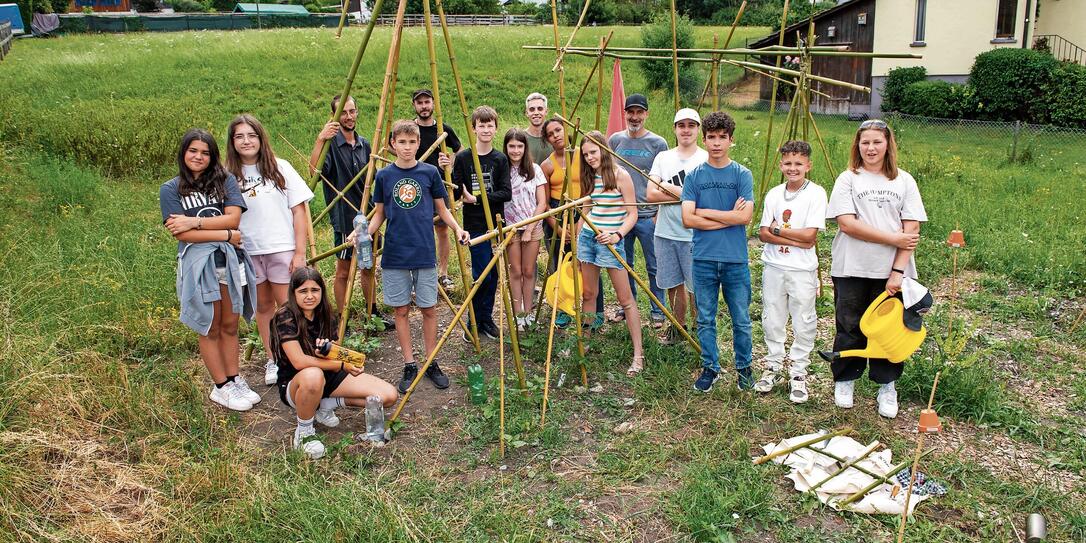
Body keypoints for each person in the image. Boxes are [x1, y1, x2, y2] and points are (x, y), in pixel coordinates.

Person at [826, 119, 926, 419]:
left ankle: (887, 385)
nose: (870, 148)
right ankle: (845, 379)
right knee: (849, 325)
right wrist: (892, 237)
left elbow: (912, 230)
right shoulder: (848, 179)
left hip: (891, 271)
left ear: (887, 145)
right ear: (858, 145)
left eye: (876, 142)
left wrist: (898, 271)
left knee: (890, 330)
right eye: (865, 142)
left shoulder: (904, 181)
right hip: (851, 265)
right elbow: (847, 223)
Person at [363, 120, 470, 393]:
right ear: (392, 145)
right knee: (400, 310)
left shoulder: (430, 172)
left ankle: (431, 361)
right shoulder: (384, 176)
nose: (407, 147)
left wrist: (458, 228)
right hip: (395, 253)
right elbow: (379, 214)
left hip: (424, 251)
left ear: (418, 143)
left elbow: (442, 210)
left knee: (429, 309)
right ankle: (410, 363)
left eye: (412, 142)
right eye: (402, 142)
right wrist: (363, 234)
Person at [161, 128, 259, 411]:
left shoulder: (225, 180)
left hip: (229, 262)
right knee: (209, 325)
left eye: (205, 153)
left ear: (213, 156)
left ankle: (234, 377)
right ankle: (220, 386)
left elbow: (234, 218)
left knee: (230, 323)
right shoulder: (170, 189)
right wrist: (225, 235)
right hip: (200, 265)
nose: (199, 157)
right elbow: (181, 234)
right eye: (193, 151)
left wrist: (195, 222)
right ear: (183, 153)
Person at [225, 114, 315, 387]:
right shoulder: (227, 174)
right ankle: (274, 358)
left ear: (260, 137)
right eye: (239, 136)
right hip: (249, 251)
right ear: (232, 142)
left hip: (281, 248)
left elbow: (299, 211)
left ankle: (301, 358)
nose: (246, 141)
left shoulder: (280, 167)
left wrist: (299, 253)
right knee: (263, 308)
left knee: (290, 307)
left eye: (251, 135)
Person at [272, 267, 398, 459]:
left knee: (388, 396)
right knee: (313, 374)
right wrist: (341, 365)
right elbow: (299, 362)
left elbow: (336, 352)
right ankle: (304, 432)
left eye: (314, 290)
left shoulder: (326, 313)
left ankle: (327, 403)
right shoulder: (285, 315)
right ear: (293, 293)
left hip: (328, 376)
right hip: (297, 383)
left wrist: (332, 354)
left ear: (322, 291)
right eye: (303, 291)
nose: (309, 296)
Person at [680, 111, 755, 393]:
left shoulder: (742, 175)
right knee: (705, 318)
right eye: (711, 137)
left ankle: (744, 367)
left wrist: (705, 212)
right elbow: (688, 219)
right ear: (705, 139)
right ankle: (710, 367)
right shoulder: (695, 176)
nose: (716, 143)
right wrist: (727, 216)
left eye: (722, 137)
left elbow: (744, 218)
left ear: (730, 140)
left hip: (735, 259)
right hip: (703, 258)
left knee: (741, 319)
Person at [309, 95, 392, 329]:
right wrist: (319, 140)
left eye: (352, 111)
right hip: (344, 218)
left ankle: (371, 314)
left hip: (367, 216)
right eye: (343, 112)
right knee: (344, 270)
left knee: (368, 266)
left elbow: (374, 175)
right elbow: (314, 172)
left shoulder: (364, 144)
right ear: (335, 116)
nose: (349, 116)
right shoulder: (331, 145)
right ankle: (340, 319)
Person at [754, 140, 828, 404]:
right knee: (772, 316)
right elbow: (763, 233)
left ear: (808, 165)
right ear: (780, 165)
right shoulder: (774, 194)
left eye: (798, 163)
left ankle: (798, 371)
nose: (792, 168)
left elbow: (810, 237)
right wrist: (788, 236)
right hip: (774, 266)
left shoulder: (816, 193)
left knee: (803, 319)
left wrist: (778, 230)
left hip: (802, 269)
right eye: (788, 163)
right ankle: (773, 365)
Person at [576, 131, 645, 376]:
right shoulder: (588, 175)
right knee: (588, 293)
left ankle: (638, 354)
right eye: (585, 155)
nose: (590, 158)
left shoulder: (620, 175)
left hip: (611, 241)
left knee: (625, 298)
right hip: (589, 238)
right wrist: (577, 244)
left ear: (604, 150)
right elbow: (586, 209)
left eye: (593, 152)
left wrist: (617, 235)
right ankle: (583, 344)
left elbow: (632, 214)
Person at [646, 108, 707, 345]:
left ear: (698, 129)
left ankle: (699, 331)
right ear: (674, 129)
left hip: (694, 235)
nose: (686, 130)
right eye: (681, 125)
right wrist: (687, 196)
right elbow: (650, 194)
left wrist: (667, 188)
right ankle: (678, 328)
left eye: (691, 125)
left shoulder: (704, 159)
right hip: (665, 231)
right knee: (672, 283)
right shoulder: (664, 157)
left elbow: (704, 198)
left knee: (696, 286)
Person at [608, 93, 669, 327]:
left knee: (654, 264)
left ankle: (658, 309)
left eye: (639, 112)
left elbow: (664, 179)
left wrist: (658, 212)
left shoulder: (658, 143)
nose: (635, 117)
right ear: (625, 114)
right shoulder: (615, 140)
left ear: (646, 114)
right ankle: (628, 305)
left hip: (647, 215)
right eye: (630, 112)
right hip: (622, 215)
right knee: (625, 264)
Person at [450, 106, 511, 341]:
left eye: (489, 125)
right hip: (474, 225)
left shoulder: (500, 159)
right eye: (481, 125)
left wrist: (477, 199)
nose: (485, 129)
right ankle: (473, 320)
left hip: (496, 225)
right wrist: (449, 172)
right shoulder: (464, 158)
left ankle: (486, 318)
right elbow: (456, 192)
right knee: (481, 274)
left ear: (495, 128)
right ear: (473, 128)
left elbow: (506, 192)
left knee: (494, 275)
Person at [539, 118, 604, 328]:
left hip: (584, 208)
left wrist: (580, 222)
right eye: (551, 133)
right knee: (560, 263)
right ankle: (564, 309)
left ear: (565, 129)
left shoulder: (582, 155)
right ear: (547, 139)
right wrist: (557, 226)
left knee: (588, 260)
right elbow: (545, 202)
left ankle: (597, 311)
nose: (556, 135)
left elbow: (591, 187)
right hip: (558, 212)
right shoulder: (547, 165)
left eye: (558, 129)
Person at [412, 88, 463, 292]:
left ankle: (443, 273)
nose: (424, 106)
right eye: (420, 103)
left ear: (433, 103)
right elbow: (390, 145)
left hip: (440, 185)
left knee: (442, 230)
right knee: (418, 231)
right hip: (415, 188)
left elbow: (458, 150)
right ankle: (419, 275)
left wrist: (449, 162)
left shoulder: (443, 129)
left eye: (427, 102)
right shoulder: (410, 129)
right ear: (414, 106)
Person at [502, 128, 548, 329]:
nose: (515, 150)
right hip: (510, 227)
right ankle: (517, 314)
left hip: (533, 225)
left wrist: (529, 229)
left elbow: (542, 202)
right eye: (511, 146)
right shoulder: (501, 168)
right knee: (516, 270)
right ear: (506, 147)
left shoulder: (535, 169)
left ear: (525, 147)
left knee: (529, 271)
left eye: (519, 146)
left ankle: (528, 312)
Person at [523, 92, 553, 165]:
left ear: (546, 111)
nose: (536, 112)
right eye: (532, 109)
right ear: (527, 113)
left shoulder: (555, 137)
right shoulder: (520, 138)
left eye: (540, 109)